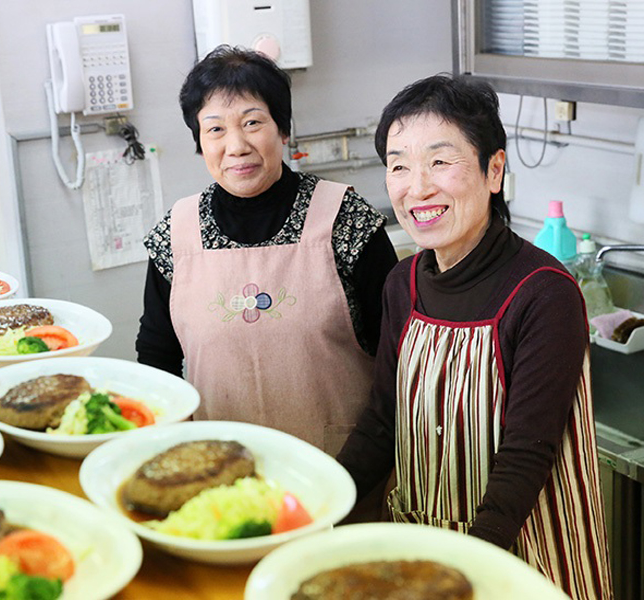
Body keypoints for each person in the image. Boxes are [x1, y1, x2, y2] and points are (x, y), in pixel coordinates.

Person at [337, 74, 613, 598]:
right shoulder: (404, 283)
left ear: (494, 170)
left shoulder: (544, 295)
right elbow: (381, 420)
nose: (417, 186)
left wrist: (465, 575)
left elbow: (525, 457)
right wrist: (317, 510)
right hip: (426, 551)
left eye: (440, 162)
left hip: (521, 559)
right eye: (399, 166)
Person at [136, 45, 398, 454]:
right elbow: (157, 359)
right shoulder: (176, 234)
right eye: (216, 129)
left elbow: (396, 353)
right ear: (200, 142)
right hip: (220, 474)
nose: (236, 145)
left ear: (283, 130)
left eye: (252, 122)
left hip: (344, 470)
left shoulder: (345, 218)